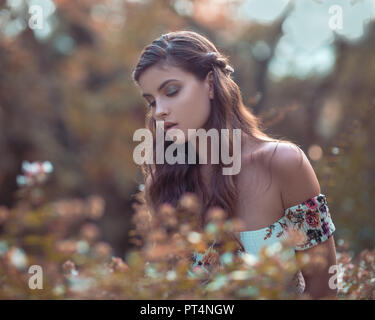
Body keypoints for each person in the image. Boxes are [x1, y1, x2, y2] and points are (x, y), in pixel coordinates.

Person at [131, 30, 337, 299]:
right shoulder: (162, 185)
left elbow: (324, 289)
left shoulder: (283, 164)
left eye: (171, 91)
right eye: (151, 101)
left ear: (210, 84)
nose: (159, 110)